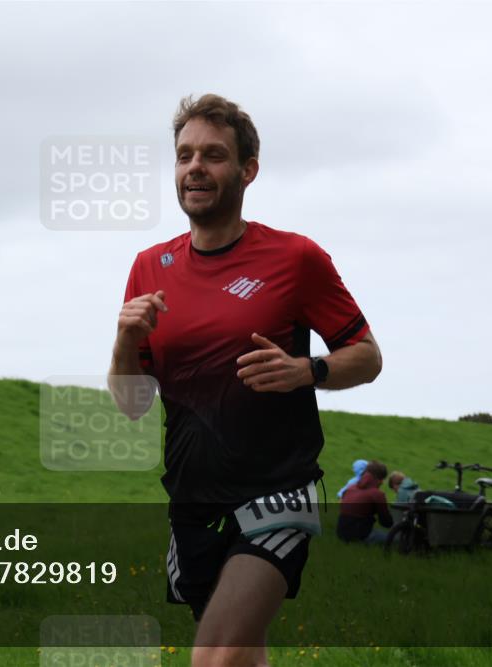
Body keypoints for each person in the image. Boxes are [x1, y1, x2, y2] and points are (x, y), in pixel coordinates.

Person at [108, 94, 383, 667]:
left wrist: (307, 370)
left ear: (247, 170)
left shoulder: (295, 258)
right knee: (242, 656)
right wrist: (124, 339)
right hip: (193, 498)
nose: (195, 167)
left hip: (276, 491)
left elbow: (366, 356)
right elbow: (132, 404)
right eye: (184, 155)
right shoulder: (148, 266)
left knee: (214, 656)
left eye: (213, 155)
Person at [337, 460, 394, 544]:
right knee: (396, 539)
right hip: (361, 535)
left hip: (341, 533)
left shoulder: (350, 488)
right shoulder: (377, 494)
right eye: (382, 479)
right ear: (379, 479)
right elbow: (386, 522)